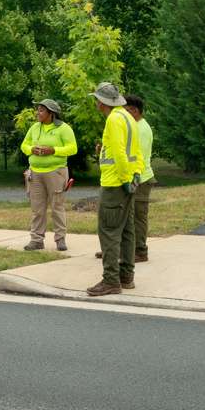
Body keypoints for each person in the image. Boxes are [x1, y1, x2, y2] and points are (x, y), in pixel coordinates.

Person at [86, 82, 145, 297]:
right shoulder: (129, 117)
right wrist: (135, 177)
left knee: (109, 232)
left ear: (102, 103)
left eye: (96, 100)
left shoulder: (113, 119)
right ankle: (126, 276)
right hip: (129, 181)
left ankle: (111, 280)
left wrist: (124, 179)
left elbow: (120, 152)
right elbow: (136, 151)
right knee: (127, 230)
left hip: (114, 184)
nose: (96, 104)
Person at [19, 99, 77, 252]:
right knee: (37, 208)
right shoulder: (34, 128)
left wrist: (53, 150)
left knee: (57, 206)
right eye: (37, 110)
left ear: (51, 113)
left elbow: (72, 148)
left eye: (41, 110)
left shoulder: (64, 129)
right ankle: (36, 240)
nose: (38, 113)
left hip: (56, 172)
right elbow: (24, 145)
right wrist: (32, 149)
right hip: (35, 173)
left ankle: (60, 239)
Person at [124, 95, 155, 263]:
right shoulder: (133, 126)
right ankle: (124, 250)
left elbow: (138, 157)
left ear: (135, 111)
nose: (124, 114)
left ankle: (141, 251)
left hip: (141, 179)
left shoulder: (141, 129)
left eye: (127, 110)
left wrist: (132, 180)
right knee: (128, 216)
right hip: (134, 178)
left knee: (138, 217)